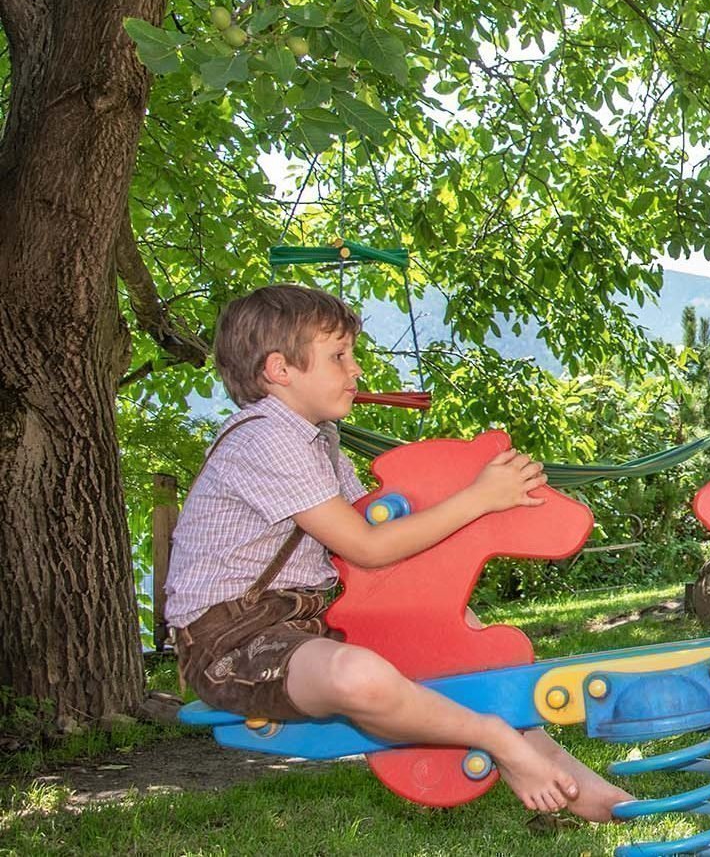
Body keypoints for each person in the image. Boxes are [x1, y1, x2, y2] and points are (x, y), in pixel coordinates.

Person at [165, 285, 630, 820]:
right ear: (279, 370)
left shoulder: (319, 439)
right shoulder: (265, 438)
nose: (355, 370)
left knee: (455, 641)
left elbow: (372, 540)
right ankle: (497, 740)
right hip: (232, 641)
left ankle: (593, 795)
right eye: (338, 356)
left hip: (305, 621)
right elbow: (366, 547)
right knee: (356, 677)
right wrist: (478, 498)